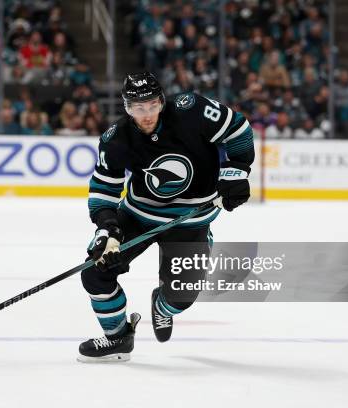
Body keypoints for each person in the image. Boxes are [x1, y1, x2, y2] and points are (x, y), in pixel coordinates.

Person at [78, 72, 255, 362]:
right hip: (137, 216)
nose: (146, 115)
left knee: (181, 296)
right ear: (126, 107)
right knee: (95, 271)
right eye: (138, 108)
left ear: (161, 101)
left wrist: (235, 173)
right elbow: (103, 189)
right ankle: (118, 338)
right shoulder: (115, 139)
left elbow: (238, 130)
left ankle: (162, 305)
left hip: (191, 221)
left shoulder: (192, 110)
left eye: (151, 105)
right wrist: (108, 229)